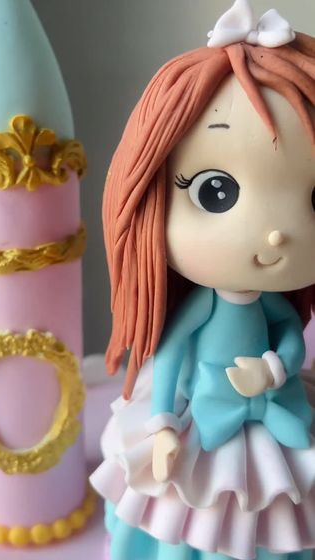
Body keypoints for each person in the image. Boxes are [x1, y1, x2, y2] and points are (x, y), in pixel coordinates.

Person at [91, 1, 315, 559]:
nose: (275, 233)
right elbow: (170, 356)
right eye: (216, 192)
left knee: (278, 504)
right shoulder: (204, 307)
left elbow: (290, 335)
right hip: (204, 416)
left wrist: (274, 368)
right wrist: (164, 423)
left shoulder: (271, 305)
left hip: (273, 403)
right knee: (195, 511)